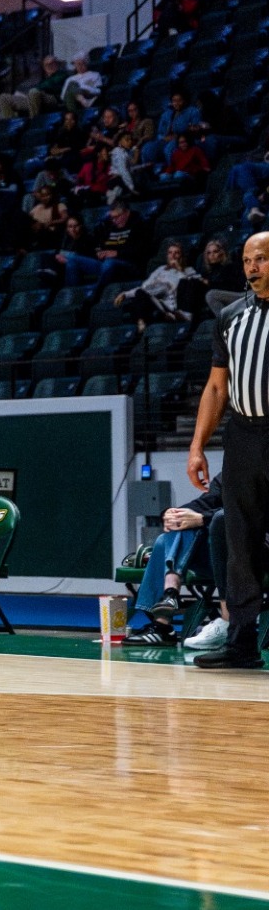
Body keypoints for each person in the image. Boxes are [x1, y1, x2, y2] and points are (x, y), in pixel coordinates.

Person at [186, 231, 269, 668]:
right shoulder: (231, 317)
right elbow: (217, 387)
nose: (253, 267)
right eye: (248, 260)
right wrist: (197, 446)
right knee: (239, 540)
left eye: (262, 259)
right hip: (242, 436)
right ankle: (241, 642)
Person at [125, 473, 222, 646]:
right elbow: (204, 503)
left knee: (186, 529)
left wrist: (202, 519)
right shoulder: (229, 474)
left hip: (249, 554)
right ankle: (165, 612)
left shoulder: (260, 473)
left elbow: (246, 513)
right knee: (170, 533)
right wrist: (171, 514)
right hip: (216, 557)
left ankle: (168, 600)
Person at [117, 241, 193, 326]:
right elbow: (145, 287)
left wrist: (178, 269)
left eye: (176, 253)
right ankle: (141, 323)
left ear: (182, 256)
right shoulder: (160, 269)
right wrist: (125, 294)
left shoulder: (188, 270)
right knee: (138, 295)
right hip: (155, 300)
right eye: (170, 253)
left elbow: (188, 286)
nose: (173, 255)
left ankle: (144, 322)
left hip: (171, 305)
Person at [0, 56, 69, 119]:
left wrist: (32, 91)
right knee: (3, 98)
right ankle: (11, 124)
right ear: (44, 67)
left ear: (57, 64)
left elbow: (49, 85)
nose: (50, 66)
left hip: (53, 98)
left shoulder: (62, 74)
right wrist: (24, 94)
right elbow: (39, 87)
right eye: (47, 65)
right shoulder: (45, 79)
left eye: (52, 63)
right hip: (35, 98)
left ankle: (34, 122)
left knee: (33, 92)